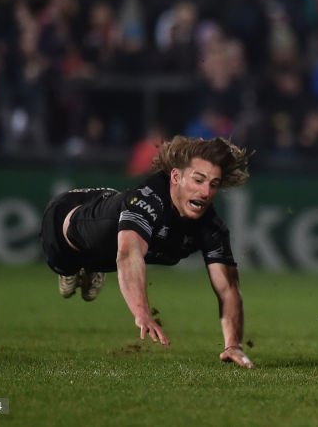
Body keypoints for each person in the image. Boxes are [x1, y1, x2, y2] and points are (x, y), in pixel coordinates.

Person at [39, 135, 255, 369]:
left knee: (120, 246)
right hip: (64, 225)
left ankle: (93, 268)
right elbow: (129, 254)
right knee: (67, 267)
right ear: (176, 177)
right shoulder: (146, 200)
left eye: (213, 184)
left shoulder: (211, 227)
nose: (205, 192)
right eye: (198, 180)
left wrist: (233, 345)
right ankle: (76, 269)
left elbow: (228, 289)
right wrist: (141, 312)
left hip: (110, 229)